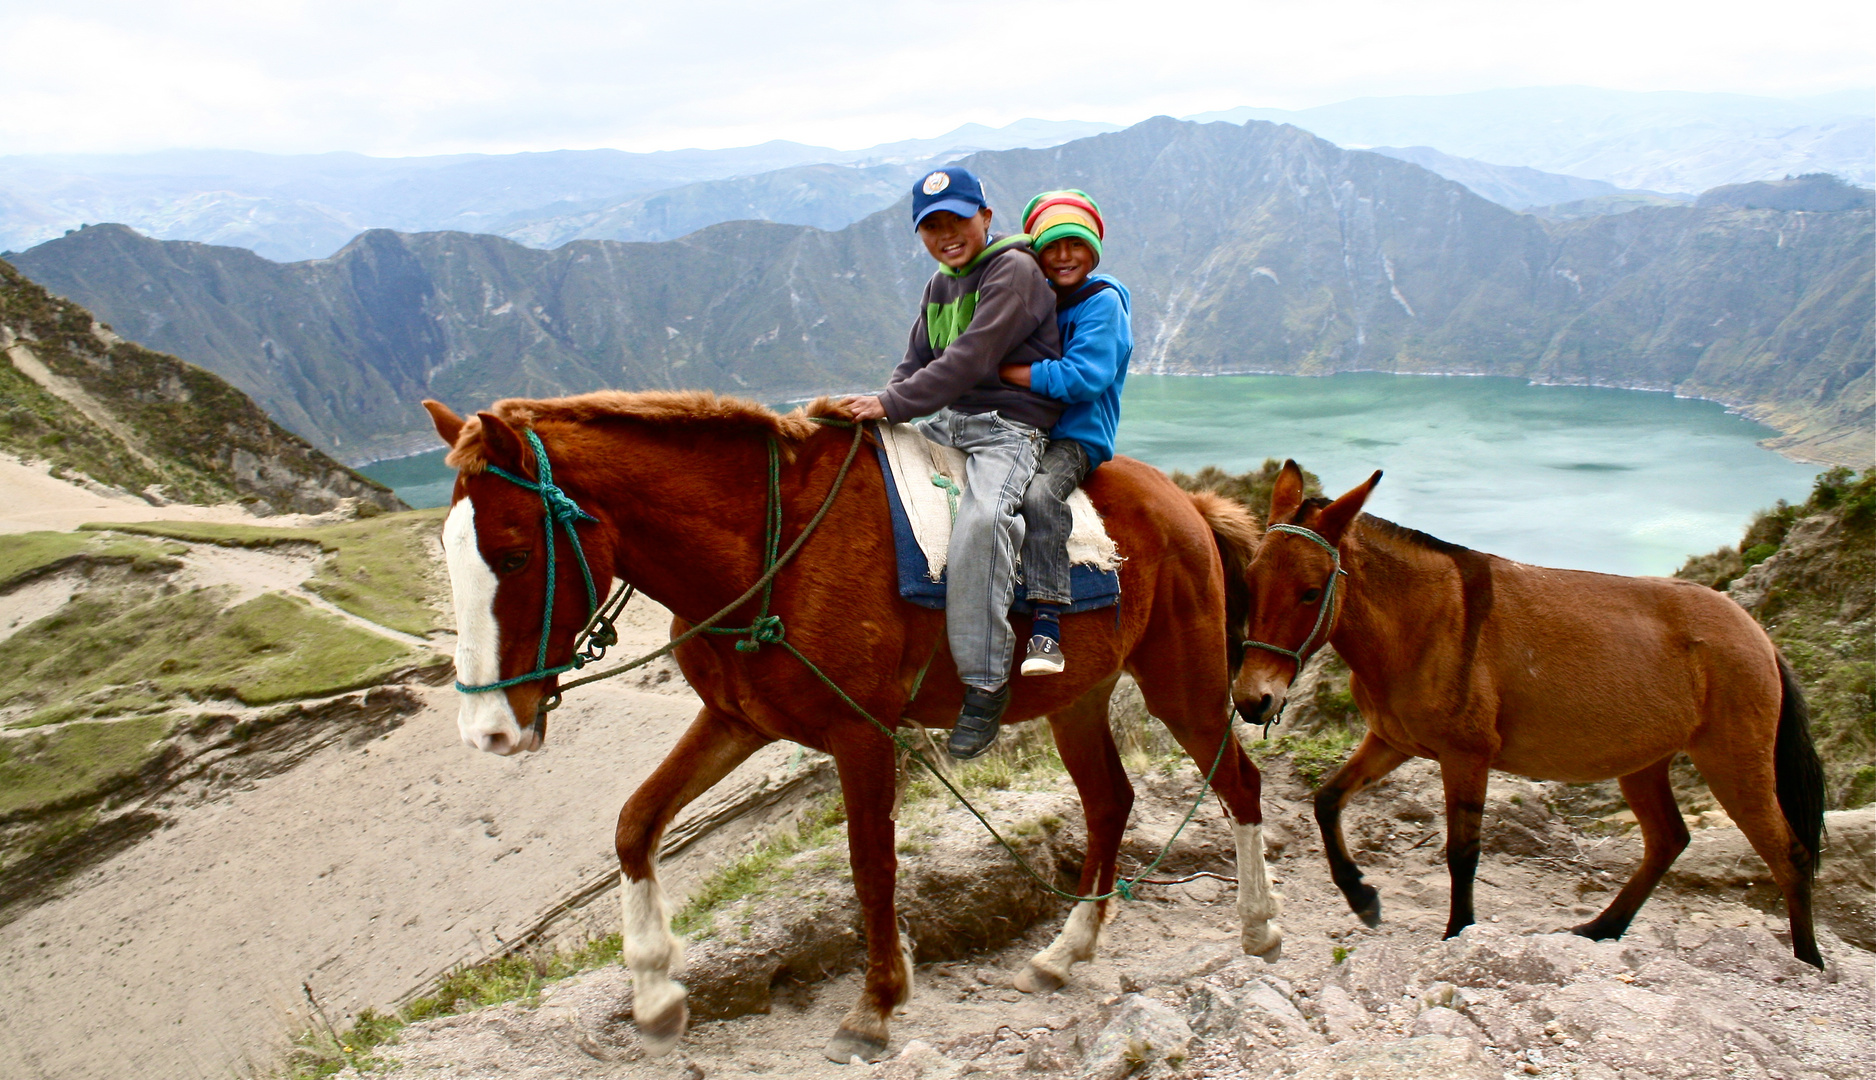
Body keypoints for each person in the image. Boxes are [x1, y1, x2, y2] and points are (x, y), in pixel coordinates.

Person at [845, 166, 1064, 759]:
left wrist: (892, 403)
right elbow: (916, 360)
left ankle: (987, 682)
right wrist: (882, 409)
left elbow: (970, 358)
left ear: (986, 219)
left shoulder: (1013, 270)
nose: (946, 234)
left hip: (1007, 430)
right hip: (946, 423)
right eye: (932, 226)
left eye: (958, 220)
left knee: (982, 523)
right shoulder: (941, 283)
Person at [1000, 190, 1132, 676]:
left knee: (1038, 496)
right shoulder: (1038, 300)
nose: (1063, 256)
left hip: (1074, 436)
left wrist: (1006, 372)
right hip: (1023, 425)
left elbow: (1084, 378)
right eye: (1051, 246)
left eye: (1074, 243)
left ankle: (1047, 622)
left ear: (1093, 248)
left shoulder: (1101, 305)